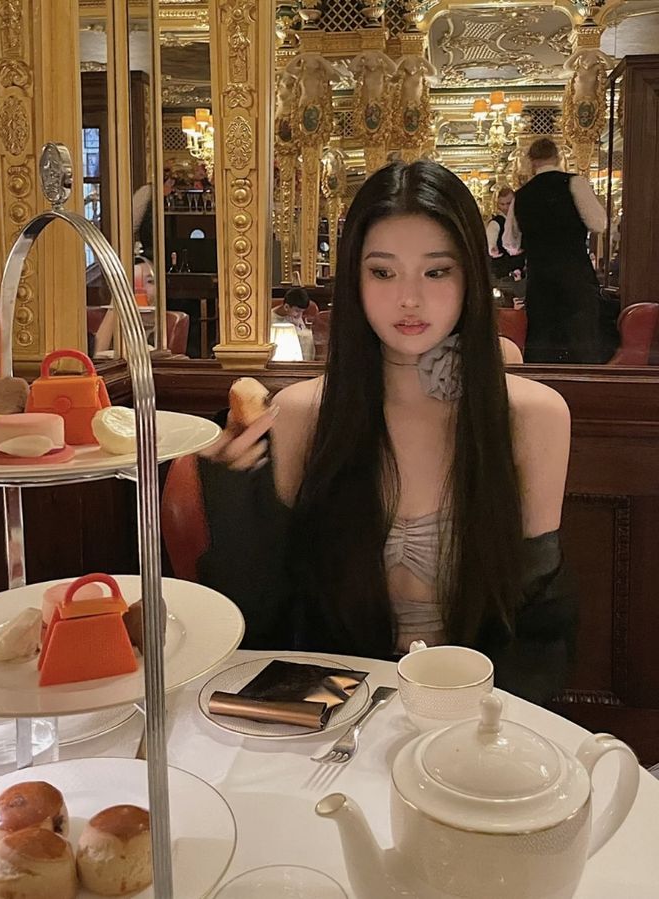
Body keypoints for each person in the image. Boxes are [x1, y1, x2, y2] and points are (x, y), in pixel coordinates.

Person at [196, 160, 576, 705]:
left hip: (474, 714)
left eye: (437, 271)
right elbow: (262, 621)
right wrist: (234, 494)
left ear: (471, 275)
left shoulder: (533, 416)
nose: (409, 299)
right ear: (354, 278)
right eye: (382, 271)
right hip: (335, 715)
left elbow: (540, 631)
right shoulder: (303, 415)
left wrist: (485, 736)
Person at [504, 138, 608, 363]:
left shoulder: (521, 196)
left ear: (531, 162)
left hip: (541, 282)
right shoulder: (575, 183)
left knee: (543, 347)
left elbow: (510, 243)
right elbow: (599, 223)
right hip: (576, 279)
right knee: (583, 345)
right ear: (558, 157)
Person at [487, 187, 525, 285]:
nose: (505, 208)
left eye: (508, 203)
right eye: (502, 204)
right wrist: (492, 248)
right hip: (504, 271)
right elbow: (491, 238)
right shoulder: (496, 222)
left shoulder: (521, 219)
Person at [272, 287, 315, 361]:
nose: (299, 315)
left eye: (302, 312)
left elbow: (304, 337)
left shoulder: (295, 316)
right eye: (297, 311)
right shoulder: (271, 318)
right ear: (286, 307)